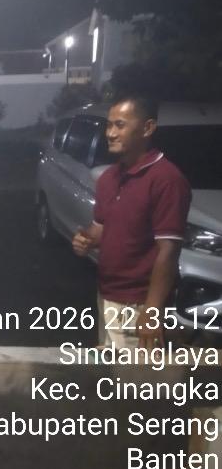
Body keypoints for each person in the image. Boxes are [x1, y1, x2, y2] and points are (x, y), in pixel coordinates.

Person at [72, 94, 191, 350]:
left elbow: (169, 251)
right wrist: (86, 240)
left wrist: (153, 310)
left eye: (120, 125)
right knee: (110, 369)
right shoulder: (108, 178)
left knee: (136, 376)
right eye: (109, 125)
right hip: (107, 295)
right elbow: (101, 227)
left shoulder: (167, 180)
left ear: (147, 128)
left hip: (139, 304)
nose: (110, 133)